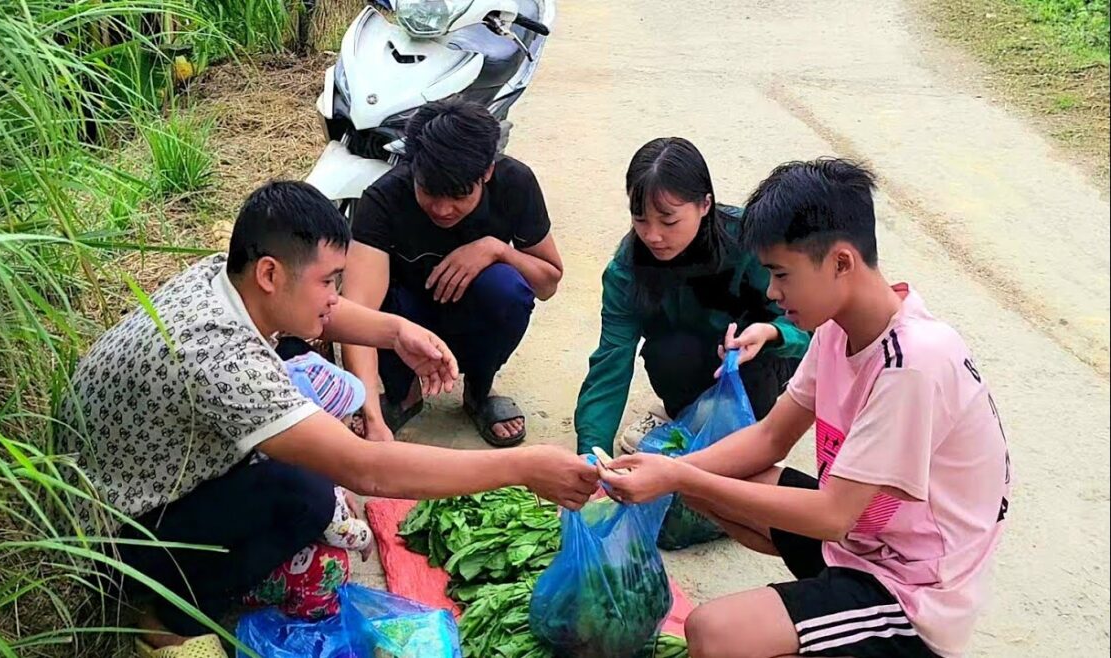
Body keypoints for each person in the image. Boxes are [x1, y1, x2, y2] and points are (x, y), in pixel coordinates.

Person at [56, 181, 597, 657]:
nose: (336, 297)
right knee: (307, 495)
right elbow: (369, 470)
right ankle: (162, 619)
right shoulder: (222, 360)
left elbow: (320, 313)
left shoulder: (227, 278)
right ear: (270, 272)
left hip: (122, 475)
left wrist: (394, 332)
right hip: (112, 536)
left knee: (311, 469)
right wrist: (524, 467)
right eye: (330, 281)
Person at [596, 159, 1011, 658]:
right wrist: (669, 470)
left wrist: (679, 479)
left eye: (781, 274)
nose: (771, 292)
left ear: (840, 262)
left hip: (911, 588)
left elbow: (835, 515)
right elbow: (771, 437)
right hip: (866, 536)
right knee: (715, 487)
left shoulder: (913, 364)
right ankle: (826, 612)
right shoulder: (839, 329)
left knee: (712, 632)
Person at [342, 99, 563, 447]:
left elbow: (548, 282)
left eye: (460, 194)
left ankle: (478, 390)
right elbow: (354, 317)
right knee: (371, 292)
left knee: (507, 287)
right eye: (429, 192)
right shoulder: (383, 200)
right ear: (412, 168)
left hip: (471, 315)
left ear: (487, 172)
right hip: (405, 318)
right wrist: (369, 411)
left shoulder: (515, 184)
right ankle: (402, 394)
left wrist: (497, 249)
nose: (443, 209)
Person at [573, 137, 809, 456]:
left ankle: (729, 432)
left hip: (755, 357)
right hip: (687, 359)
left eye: (668, 220)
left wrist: (774, 333)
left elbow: (813, 324)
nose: (653, 236)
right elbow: (611, 361)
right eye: (640, 219)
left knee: (747, 385)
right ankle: (683, 418)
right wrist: (592, 454)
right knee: (668, 354)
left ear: (705, 205)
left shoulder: (753, 242)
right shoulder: (627, 270)